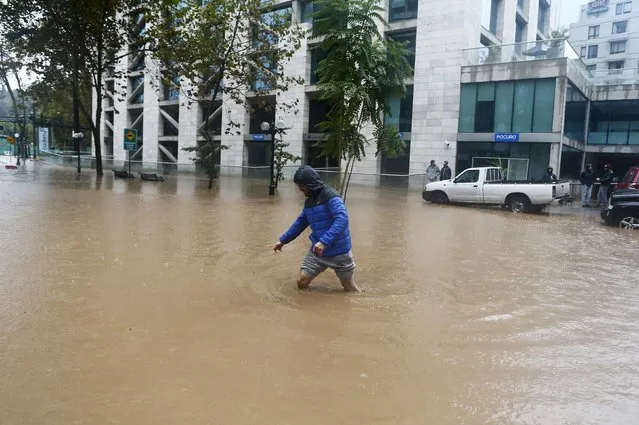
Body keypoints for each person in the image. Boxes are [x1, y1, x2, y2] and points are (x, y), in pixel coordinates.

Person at [273, 165, 361, 292]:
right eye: (299, 186)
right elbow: (300, 223)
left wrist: (324, 241)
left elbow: (342, 219)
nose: (300, 189)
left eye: (302, 186)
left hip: (339, 252)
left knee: (350, 289)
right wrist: (283, 241)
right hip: (318, 251)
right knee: (301, 282)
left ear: (311, 184)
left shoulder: (331, 196)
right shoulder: (309, 202)